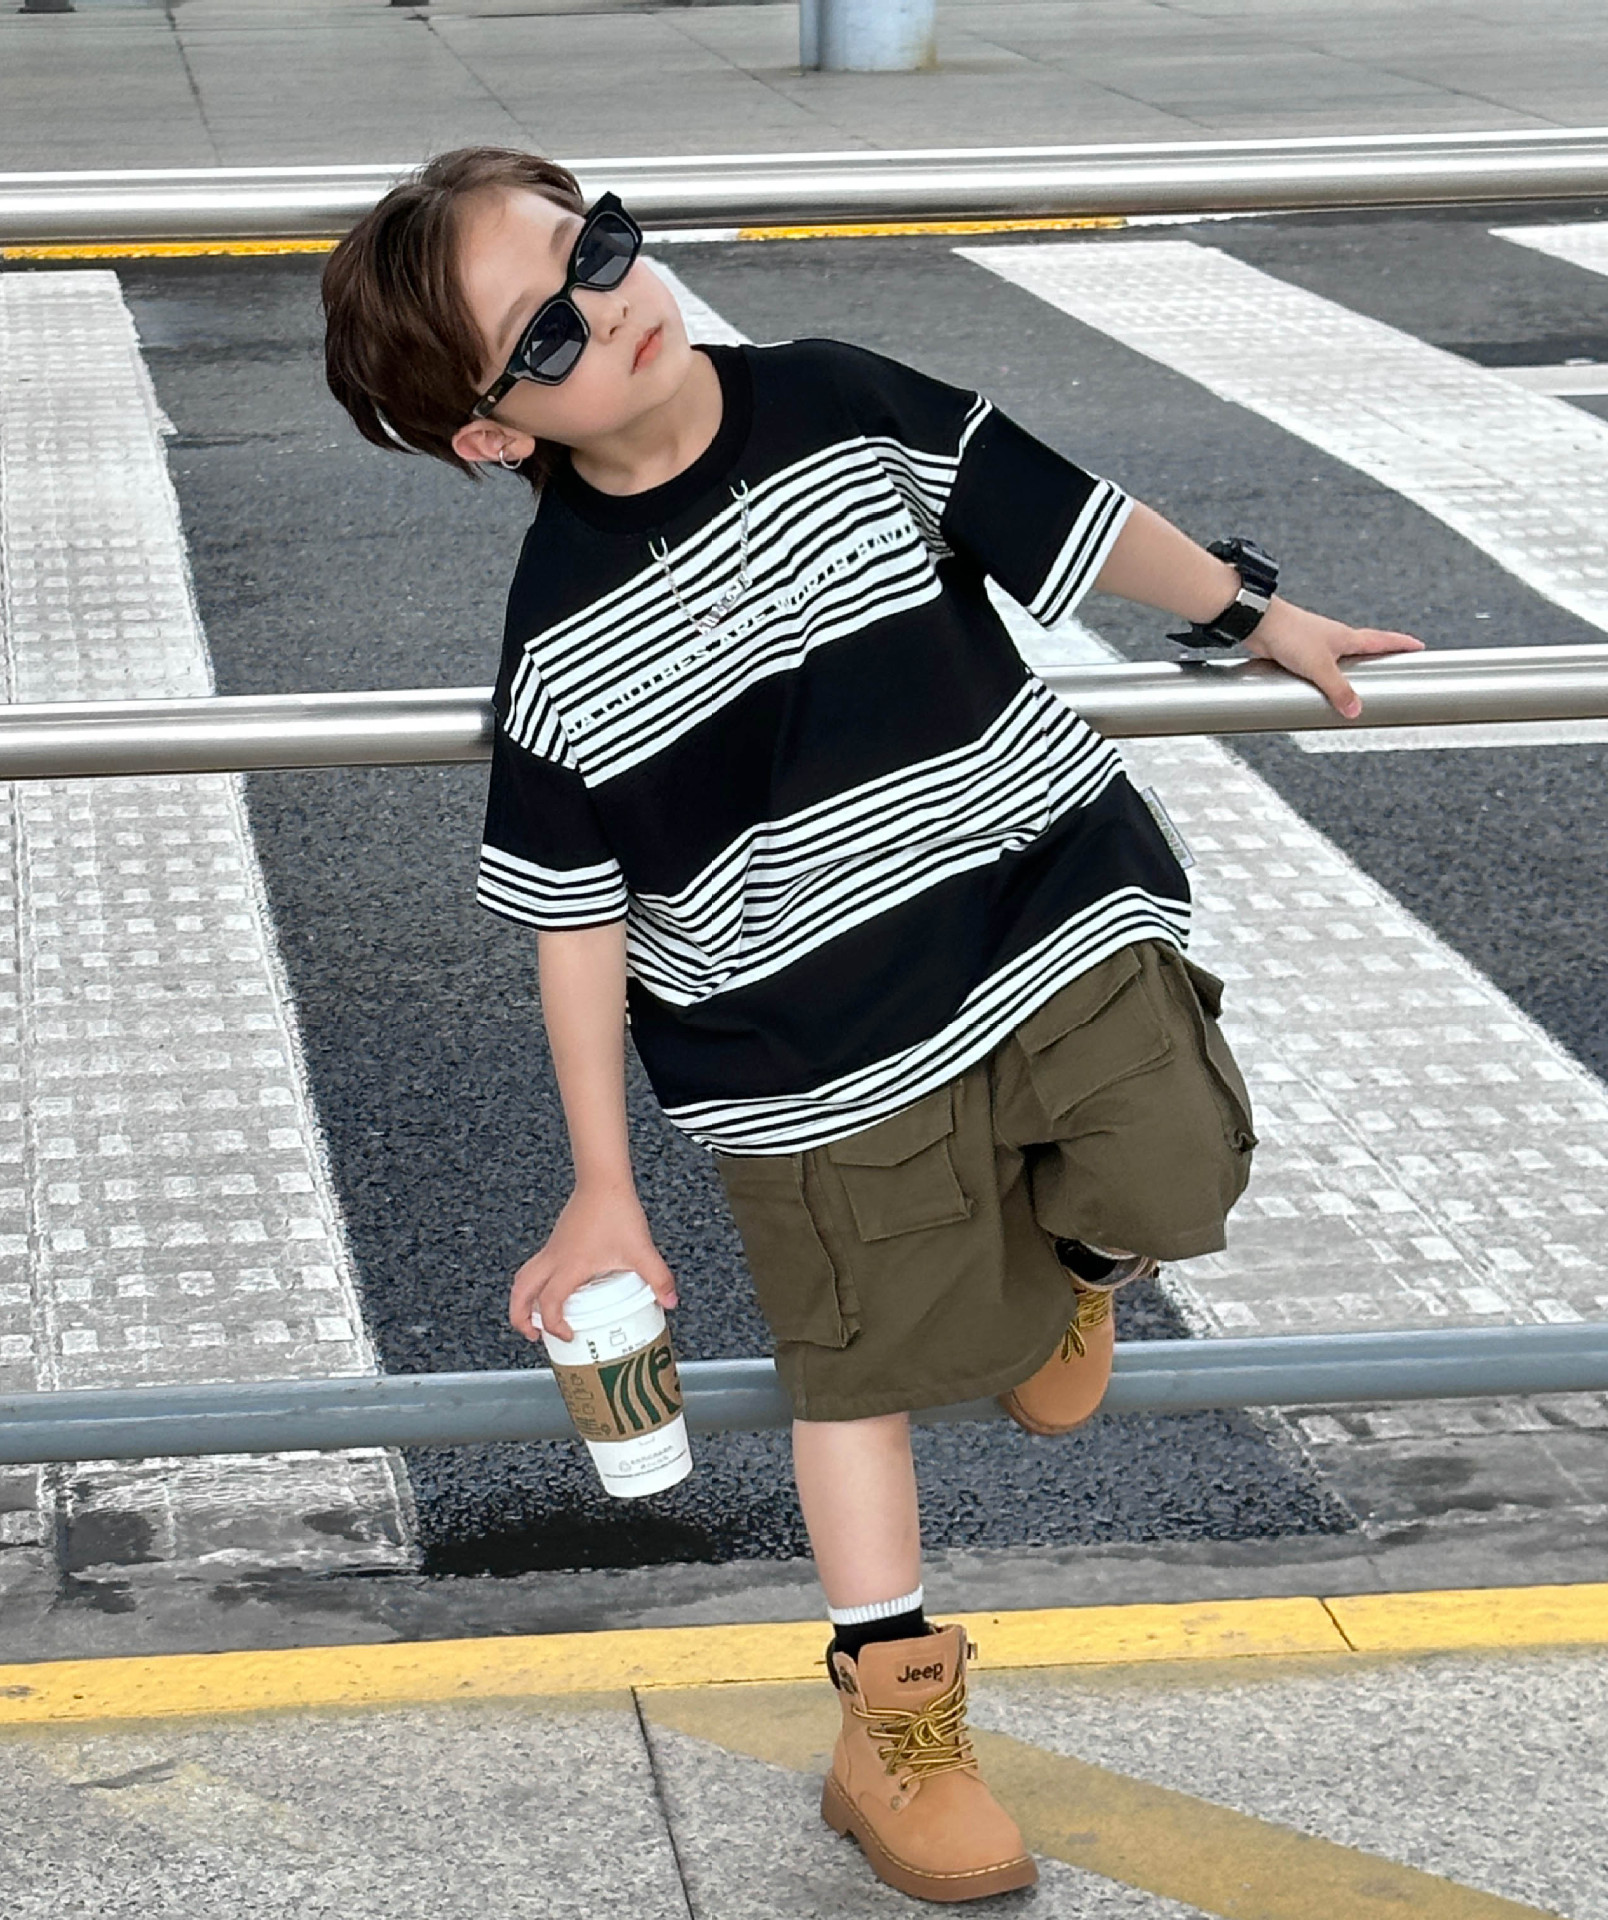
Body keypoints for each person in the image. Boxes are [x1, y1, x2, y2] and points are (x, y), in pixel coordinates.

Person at [320, 147, 1422, 1903]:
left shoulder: (842, 400)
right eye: (547, 334)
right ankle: (897, 1725)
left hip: (1045, 907)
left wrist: (1256, 612)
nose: (612, 305)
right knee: (859, 1374)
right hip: (807, 1051)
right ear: (491, 435)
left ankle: (1075, 1270)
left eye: (597, 249)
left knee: (1178, 1166)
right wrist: (601, 1184)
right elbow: (575, 923)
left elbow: (1067, 514)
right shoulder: (558, 641)